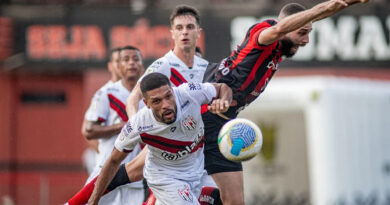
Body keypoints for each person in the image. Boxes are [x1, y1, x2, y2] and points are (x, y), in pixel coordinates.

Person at [69, 1, 370, 204]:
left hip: (221, 122)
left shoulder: (272, 53)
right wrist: (334, 5)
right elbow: (138, 98)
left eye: (309, 34)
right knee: (128, 172)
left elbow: (224, 86)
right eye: (303, 31)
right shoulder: (263, 36)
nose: (306, 40)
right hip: (198, 119)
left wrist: (223, 100)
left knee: (234, 200)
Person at [89, 73, 232, 205]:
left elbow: (222, 88)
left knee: (224, 198)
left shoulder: (189, 92)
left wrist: (224, 101)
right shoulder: (139, 124)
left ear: (173, 90)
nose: (166, 105)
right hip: (165, 178)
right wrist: (93, 202)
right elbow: (113, 161)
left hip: (197, 170)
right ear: (147, 104)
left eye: (168, 96)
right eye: (157, 101)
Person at [75, 46, 146, 205]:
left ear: (142, 65)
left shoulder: (148, 95)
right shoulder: (106, 93)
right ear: (118, 66)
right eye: (126, 60)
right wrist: (124, 126)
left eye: (136, 59)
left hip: (133, 175)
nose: (131, 63)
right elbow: (89, 130)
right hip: (105, 171)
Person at [82, 47, 122, 174]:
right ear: (110, 66)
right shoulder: (104, 93)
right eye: (118, 61)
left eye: (125, 60)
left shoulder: (136, 92)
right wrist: (109, 156)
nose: (122, 65)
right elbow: (86, 130)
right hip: (109, 158)